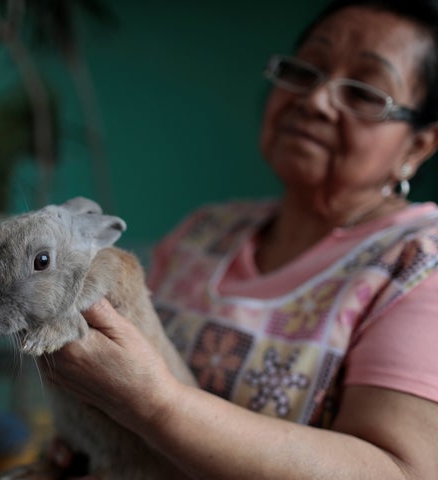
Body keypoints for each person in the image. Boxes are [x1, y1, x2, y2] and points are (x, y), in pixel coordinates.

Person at [43, 0, 438, 478]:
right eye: (304, 70)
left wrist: (156, 405)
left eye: (364, 93)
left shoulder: (419, 264)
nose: (314, 99)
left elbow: (401, 471)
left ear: (418, 145)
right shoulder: (208, 229)